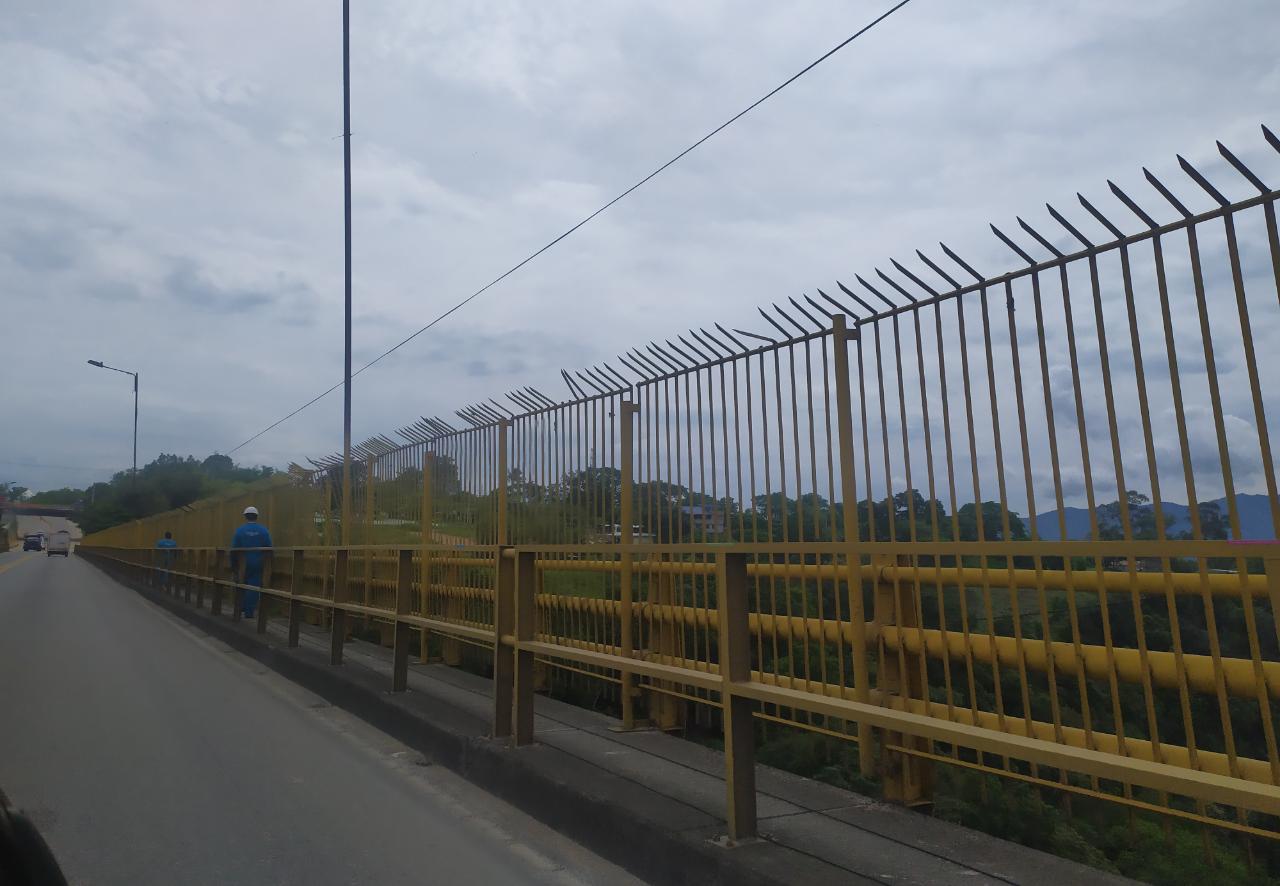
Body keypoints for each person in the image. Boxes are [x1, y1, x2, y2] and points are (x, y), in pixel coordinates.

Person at [229, 506, 272, 619]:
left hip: (242, 564)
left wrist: (233, 566)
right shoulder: (264, 531)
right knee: (254, 587)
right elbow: (269, 549)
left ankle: (240, 608)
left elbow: (233, 550)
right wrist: (268, 565)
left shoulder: (239, 531)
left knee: (240, 585)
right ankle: (249, 612)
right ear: (257, 516)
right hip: (258, 563)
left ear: (245, 516)